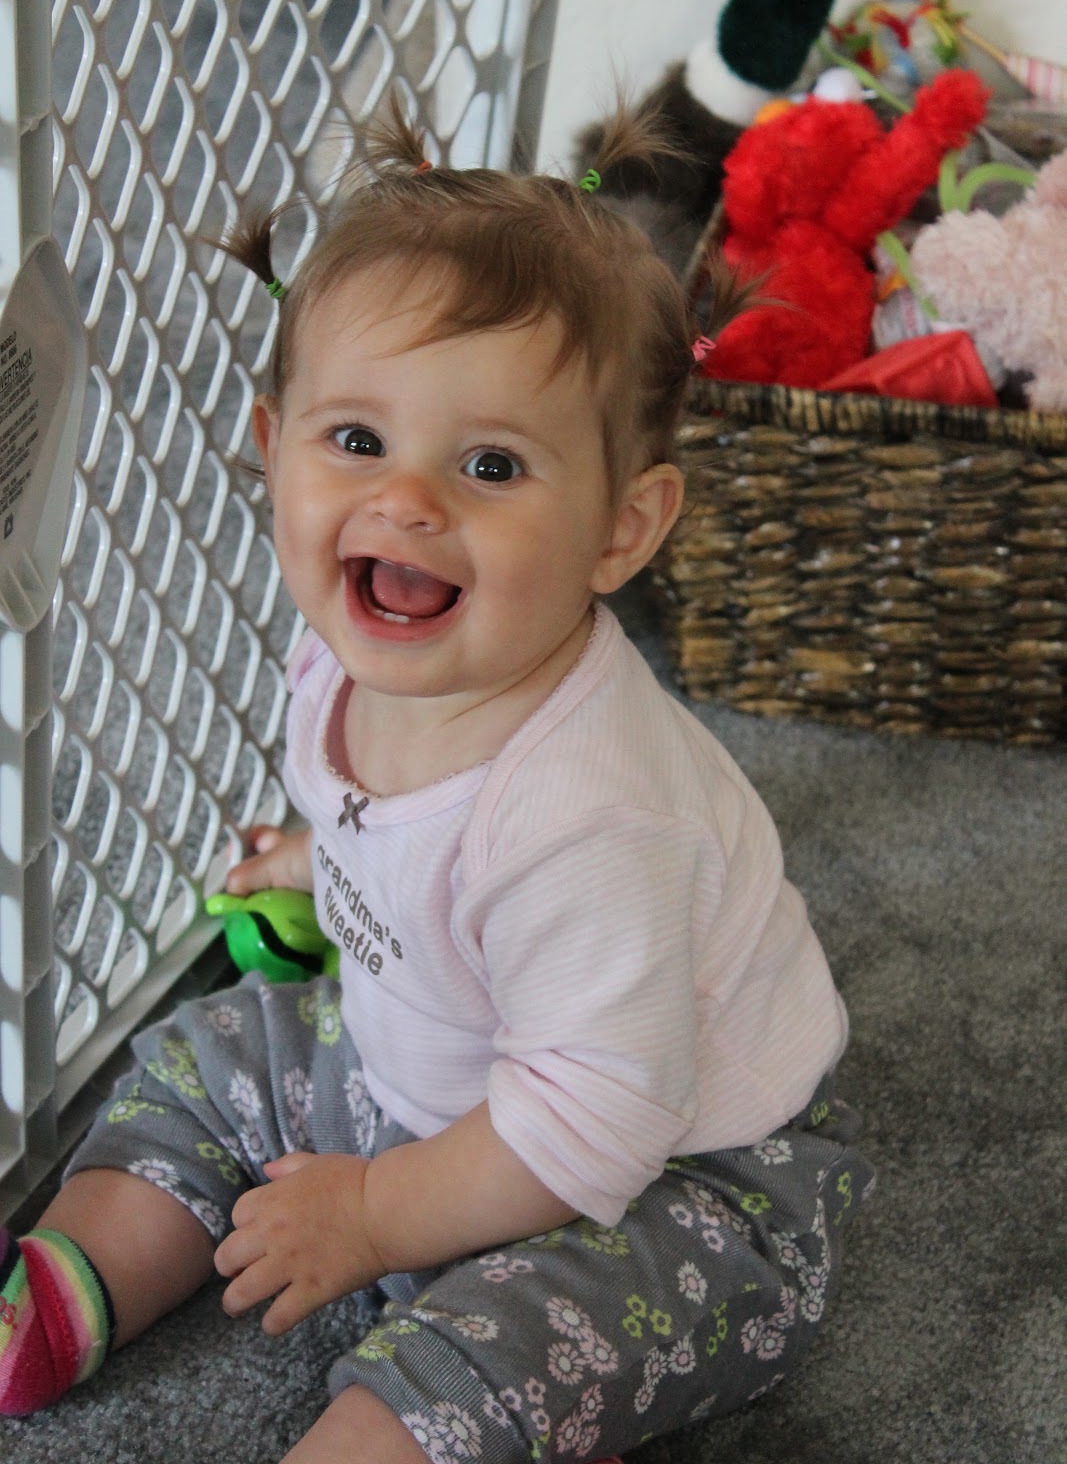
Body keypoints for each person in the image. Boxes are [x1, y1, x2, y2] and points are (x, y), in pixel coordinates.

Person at [0, 102, 873, 1460]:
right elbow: (403, 835)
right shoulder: (349, 654)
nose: (409, 501)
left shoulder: (591, 815)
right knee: (208, 1055)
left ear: (622, 527)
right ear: (272, 443)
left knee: (503, 1344)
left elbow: (592, 1119)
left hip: (675, 1175)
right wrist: (317, 858)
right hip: (427, 1071)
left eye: (490, 465)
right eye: (357, 440)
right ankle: (75, 1279)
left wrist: (373, 1214)